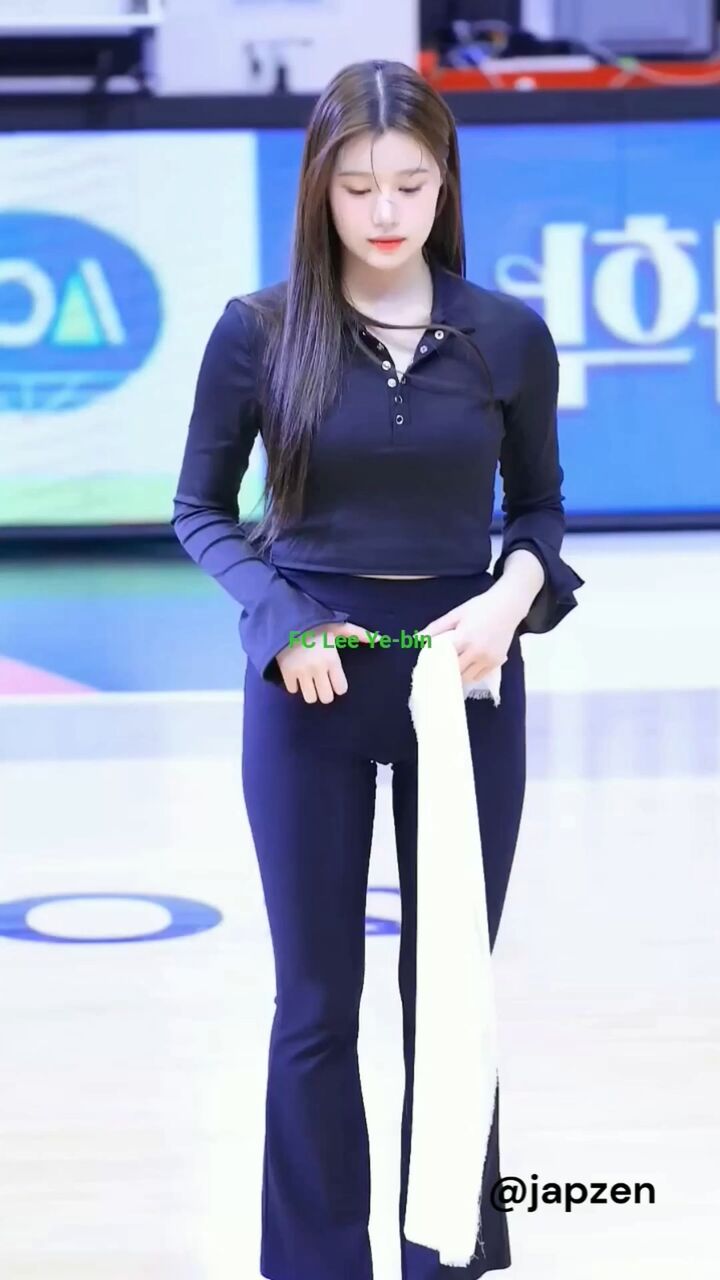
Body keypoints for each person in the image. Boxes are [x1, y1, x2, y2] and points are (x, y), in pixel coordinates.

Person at [171, 58, 584, 1280]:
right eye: (358, 187)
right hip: (311, 687)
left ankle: (443, 1258)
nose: (385, 210)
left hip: (467, 684)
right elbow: (199, 509)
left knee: (451, 992)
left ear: (445, 182)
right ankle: (315, 1264)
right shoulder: (257, 332)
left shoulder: (508, 335)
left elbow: (542, 511)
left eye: (410, 182)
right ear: (321, 190)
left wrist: (510, 596)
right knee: (314, 1001)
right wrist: (282, 619)